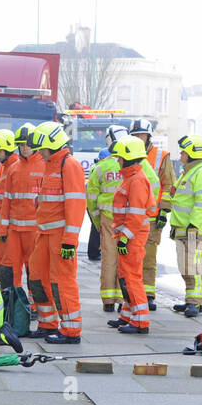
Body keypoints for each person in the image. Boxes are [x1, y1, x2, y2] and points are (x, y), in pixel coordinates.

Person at [27, 121, 87, 343]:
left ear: (51, 144)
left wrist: (70, 241)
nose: (39, 153)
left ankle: (71, 330)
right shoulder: (51, 164)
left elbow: (76, 204)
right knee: (37, 277)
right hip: (44, 235)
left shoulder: (69, 165)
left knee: (62, 281)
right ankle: (47, 323)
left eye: (41, 148)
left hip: (61, 236)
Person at [0, 123, 45, 337]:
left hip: (35, 230)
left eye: (27, 145)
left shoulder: (44, 165)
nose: (24, 148)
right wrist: (2, 225)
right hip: (15, 230)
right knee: (12, 272)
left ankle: (35, 308)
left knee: (35, 273)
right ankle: (16, 308)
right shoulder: (14, 168)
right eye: (21, 145)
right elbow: (7, 200)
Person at [162, 134, 202, 317]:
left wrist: (193, 225)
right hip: (183, 230)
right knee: (186, 266)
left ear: (193, 153)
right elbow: (174, 197)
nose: (180, 155)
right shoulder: (189, 172)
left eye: (184, 152)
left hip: (194, 230)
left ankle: (195, 302)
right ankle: (194, 300)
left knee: (192, 266)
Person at [107, 137, 153, 334]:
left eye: (120, 158)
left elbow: (135, 214)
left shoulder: (137, 180)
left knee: (132, 277)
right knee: (125, 276)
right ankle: (128, 315)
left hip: (132, 236)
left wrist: (125, 237)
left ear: (128, 158)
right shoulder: (132, 178)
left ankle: (141, 321)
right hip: (128, 235)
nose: (118, 161)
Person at [128, 118, 172, 311]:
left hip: (152, 217)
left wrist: (164, 210)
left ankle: (148, 294)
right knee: (130, 258)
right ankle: (131, 294)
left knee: (148, 257)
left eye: (142, 135)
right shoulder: (126, 152)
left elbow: (169, 185)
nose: (139, 138)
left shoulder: (161, 155)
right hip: (131, 216)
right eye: (135, 135)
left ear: (148, 137)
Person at [86, 125, 127, 311]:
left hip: (108, 219)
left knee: (109, 259)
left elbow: (91, 199)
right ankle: (123, 299)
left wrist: (96, 222)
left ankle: (109, 302)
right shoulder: (136, 166)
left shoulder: (101, 167)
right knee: (125, 259)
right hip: (129, 221)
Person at [86, 147, 109, 262]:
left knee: (95, 229)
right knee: (96, 230)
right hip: (99, 204)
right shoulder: (101, 168)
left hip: (92, 203)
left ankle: (94, 251)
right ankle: (94, 252)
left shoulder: (95, 167)